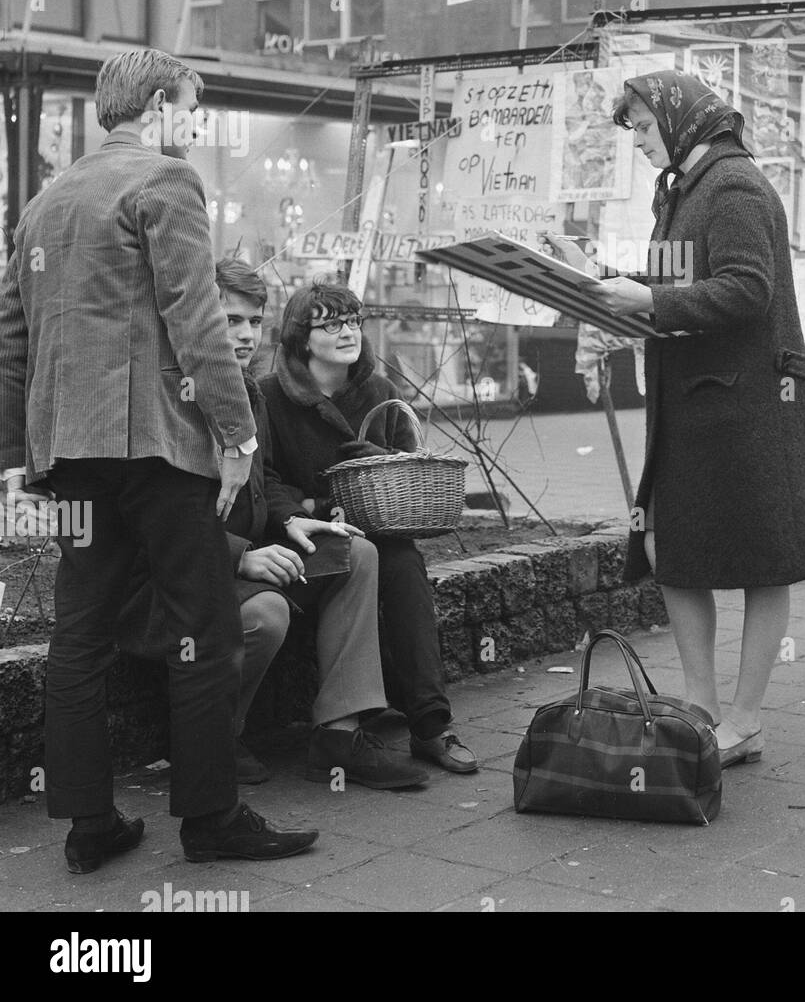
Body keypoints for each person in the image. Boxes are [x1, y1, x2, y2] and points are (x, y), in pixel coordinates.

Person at [0, 48, 316, 871]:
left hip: (69, 455)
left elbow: (9, 343)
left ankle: (87, 826)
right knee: (205, 633)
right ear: (158, 105)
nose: (195, 122)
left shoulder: (42, 203)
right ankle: (211, 821)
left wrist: (12, 460)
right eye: (191, 107)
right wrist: (238, 435)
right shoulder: (166, 181)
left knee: (78, 639)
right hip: (159, 449)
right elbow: (197, 315)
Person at [549, 73, 805, 768]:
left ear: (682, 121)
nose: (641, 143)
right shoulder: (681, 189)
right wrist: (615, 290)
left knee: (763, 562)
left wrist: (645, 303)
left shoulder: (732, 186)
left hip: (748, 410)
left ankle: (744, 717)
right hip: (702, 404)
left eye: (646, 129)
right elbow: (684, 285)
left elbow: (745, 289)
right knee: (679, 556)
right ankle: (702, 707)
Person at [116, 259, 427, 791]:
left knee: (358, 553)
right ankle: (210, 735)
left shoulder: (247, 391)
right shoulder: (167, 394)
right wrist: (241, 554)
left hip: (243, 559)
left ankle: (339, 733)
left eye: (254, 321)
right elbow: (157, 517)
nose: (244, 334)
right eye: (229, 319)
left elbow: (263, 486)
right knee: (267, 611)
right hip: (175, 579)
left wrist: (294, 521)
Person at [260, 281, 478, 775]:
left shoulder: (380, 392)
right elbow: (264, 479)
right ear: (300, 337)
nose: (347, 332)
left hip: (375, 529)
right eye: (330, 323)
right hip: (299, 537)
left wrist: (382, 460)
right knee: (371, 559)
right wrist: (304, 509)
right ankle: (357, 726)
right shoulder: (271, 396)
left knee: (404, 566)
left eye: (354, 321)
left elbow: (409, 466)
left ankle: (429, 724)